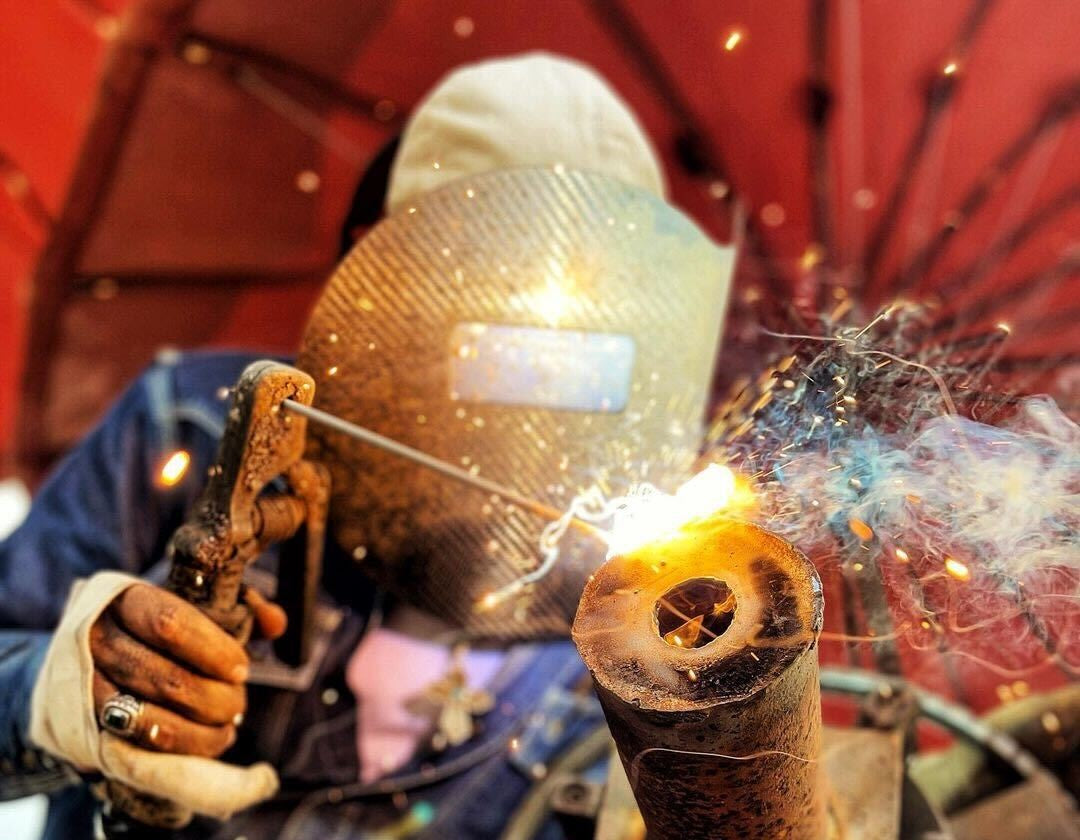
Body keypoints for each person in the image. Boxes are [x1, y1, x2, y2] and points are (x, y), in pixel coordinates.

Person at [0, 53, 668, 838]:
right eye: (485, 273)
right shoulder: (196, 426)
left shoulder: (650, 577)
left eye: (583, 294)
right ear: (374, 263)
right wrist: (60, 692)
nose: (527, 341)